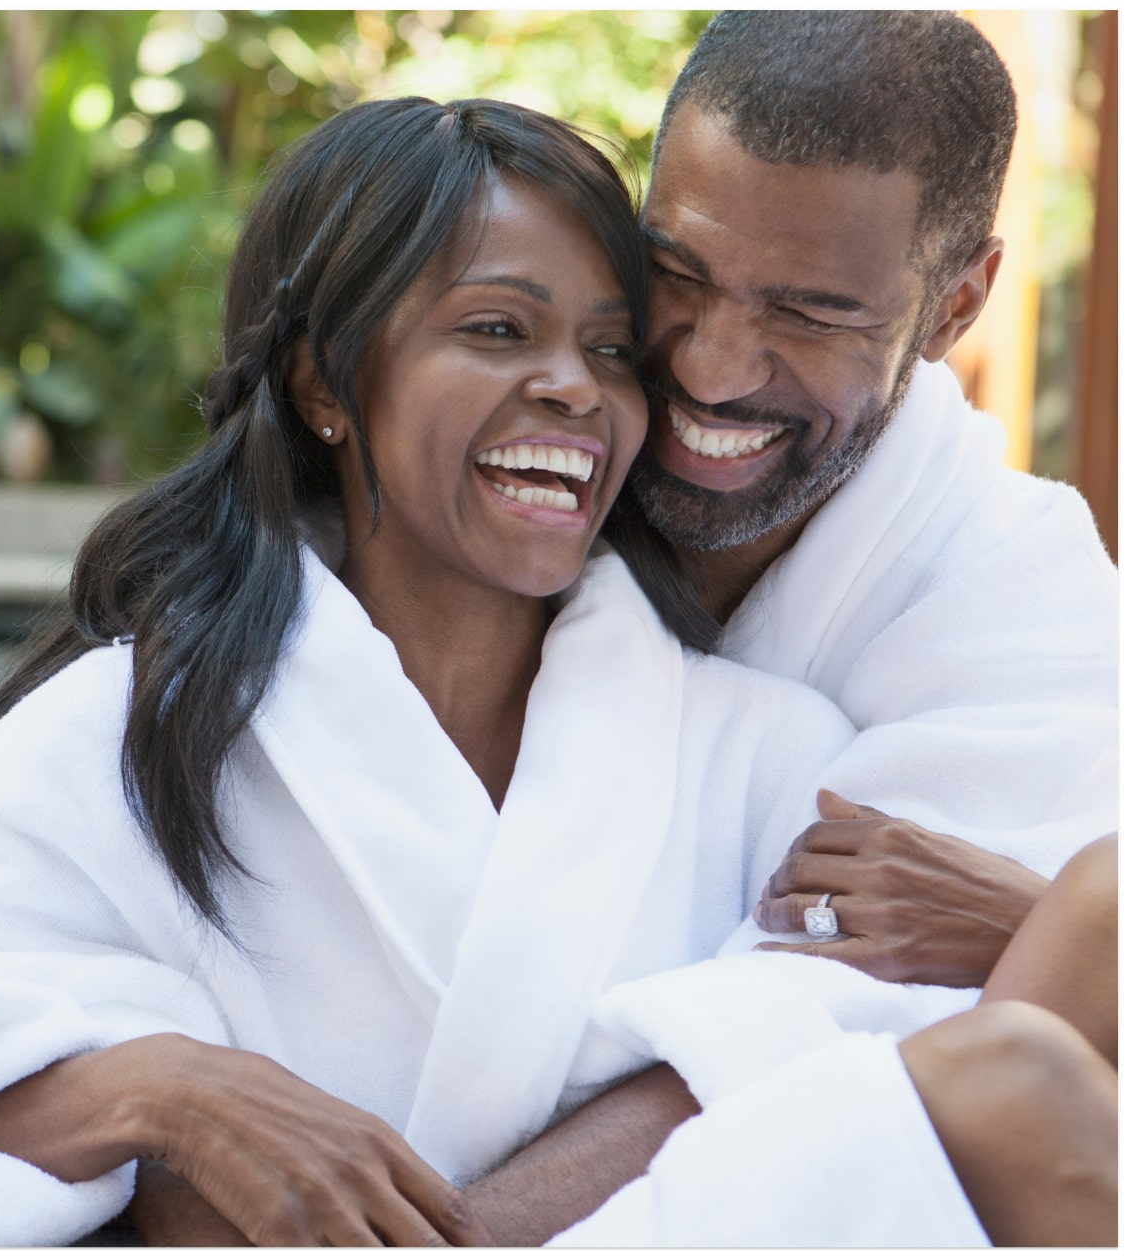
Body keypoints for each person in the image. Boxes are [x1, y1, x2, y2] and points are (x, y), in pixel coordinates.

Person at [0, 95, 925, 1246]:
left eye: (611, 351)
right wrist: (161, 1092)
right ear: (324, 381)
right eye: (498, 328)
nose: (573, 386)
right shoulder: (124, 741)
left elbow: (868, 1078)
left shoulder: (769, 761)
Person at [126, 11, 1118, 1247]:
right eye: (678, 274)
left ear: (957, 300)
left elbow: (862, 1046)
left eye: (809, 314)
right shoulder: (498, 463)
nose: (706, 367)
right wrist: (142, 1089)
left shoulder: (1011, 597)